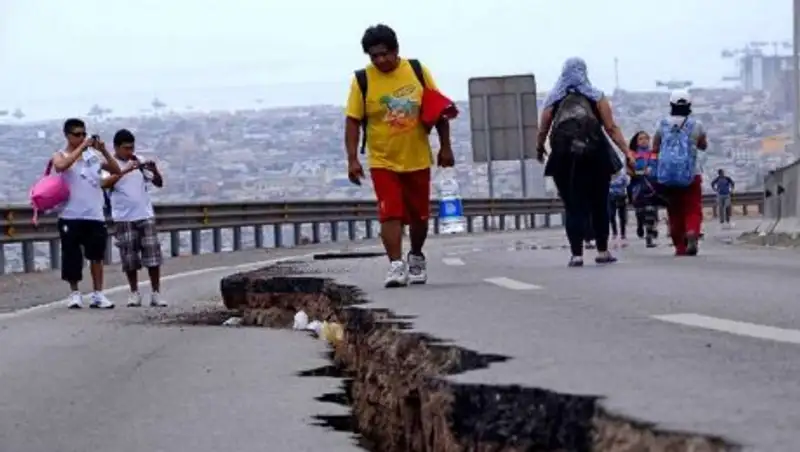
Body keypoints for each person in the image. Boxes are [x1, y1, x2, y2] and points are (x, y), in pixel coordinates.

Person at [344, 24, 454, 287]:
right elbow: (352, 121)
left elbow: (438, 109)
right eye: (374, 56)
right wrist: (352, 158)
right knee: (389, 212)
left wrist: (446, 147)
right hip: (383, 160)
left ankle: (415, 255)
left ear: (396, 50)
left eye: (384, 54)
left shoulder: (416, 71)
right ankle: (395, 264)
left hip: (416, 157)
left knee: (419, 217)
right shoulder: (363, 80)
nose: (381, 60)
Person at [536, 57, 630, 267]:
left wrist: (539, 148)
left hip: (564, 158)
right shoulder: (596, 96)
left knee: (573, 206)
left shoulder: (554, 98)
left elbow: (543, 128)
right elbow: (611, 128)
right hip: (595, 156)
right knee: (599, 203)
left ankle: (576, 254)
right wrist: (627, 152)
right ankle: (602, 251)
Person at [52, 118, 122, 309]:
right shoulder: (60, 154)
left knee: (96, 256)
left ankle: (98, 294)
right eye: (77, 134)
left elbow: (116, 170)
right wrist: (81, 148)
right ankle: (75, 293)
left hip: (94, 214)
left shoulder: (93, 157)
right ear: (67, 135)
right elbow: (60, 166)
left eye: (84, 134)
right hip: (70, 214)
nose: (81, 137)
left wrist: (103, 150)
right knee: (72, 256)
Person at [101, 129, 167, 307]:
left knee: (152, 256)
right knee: (129, 258)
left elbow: (158, 183)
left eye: (131, 147)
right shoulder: (109, 165)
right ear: (116, 148)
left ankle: (155, 292)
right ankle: (134, 292)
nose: (129, 152)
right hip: (123, 217)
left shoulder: (138, 161)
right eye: (125, 148)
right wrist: (124, 170)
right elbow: (104, 184)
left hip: (144, 214)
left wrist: (153, 170)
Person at [652, 89, 708, 256]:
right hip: (691, 173)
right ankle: (692, 232)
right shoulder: (696, 125)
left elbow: (655, 147)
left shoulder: (662, 124)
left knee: (674, 210)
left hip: (668, 175)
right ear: (689, 105)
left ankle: (680, 247)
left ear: (671, 105)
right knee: (692, 208)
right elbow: (703, 145)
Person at [628, 131, 660, 248]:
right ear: (636, 141)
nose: (644, 140)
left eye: (646, 138)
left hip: (652, 186)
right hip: (638, 186)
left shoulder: (654, 154)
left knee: (651, 210)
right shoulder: (632, 154)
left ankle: (649, 236)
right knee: (641, 212)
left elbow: (658, 168)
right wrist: (641, 172)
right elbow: (629, 171)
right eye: (641, 139)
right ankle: (640, 224)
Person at [608, 169, 630, 247]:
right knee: (611, 215)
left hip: (621, 196)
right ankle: (615, 232)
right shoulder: (608, 174)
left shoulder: (622, 175)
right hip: (611, 196)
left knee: (622, 216)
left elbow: (626, 184)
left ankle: (623, 233)